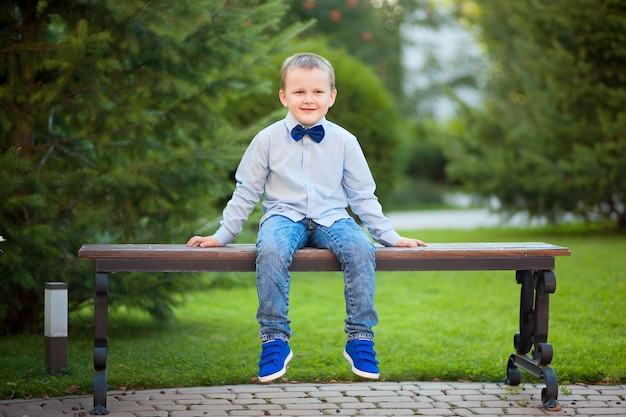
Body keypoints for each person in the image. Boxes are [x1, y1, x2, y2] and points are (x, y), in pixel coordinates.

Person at [187, 52, 427, 383]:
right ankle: (274, 340)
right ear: (284, 96)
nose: (309, 99)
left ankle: (360, 338)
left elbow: (362, 196)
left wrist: (390, 236)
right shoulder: (267, 140)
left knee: (360, 248)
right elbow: (246, 192)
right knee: (269, 249)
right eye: (299, 92)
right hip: (283, 217)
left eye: (317, 91)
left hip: (332, 217)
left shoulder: (345, 141)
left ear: (331, 96)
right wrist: (222, 235)